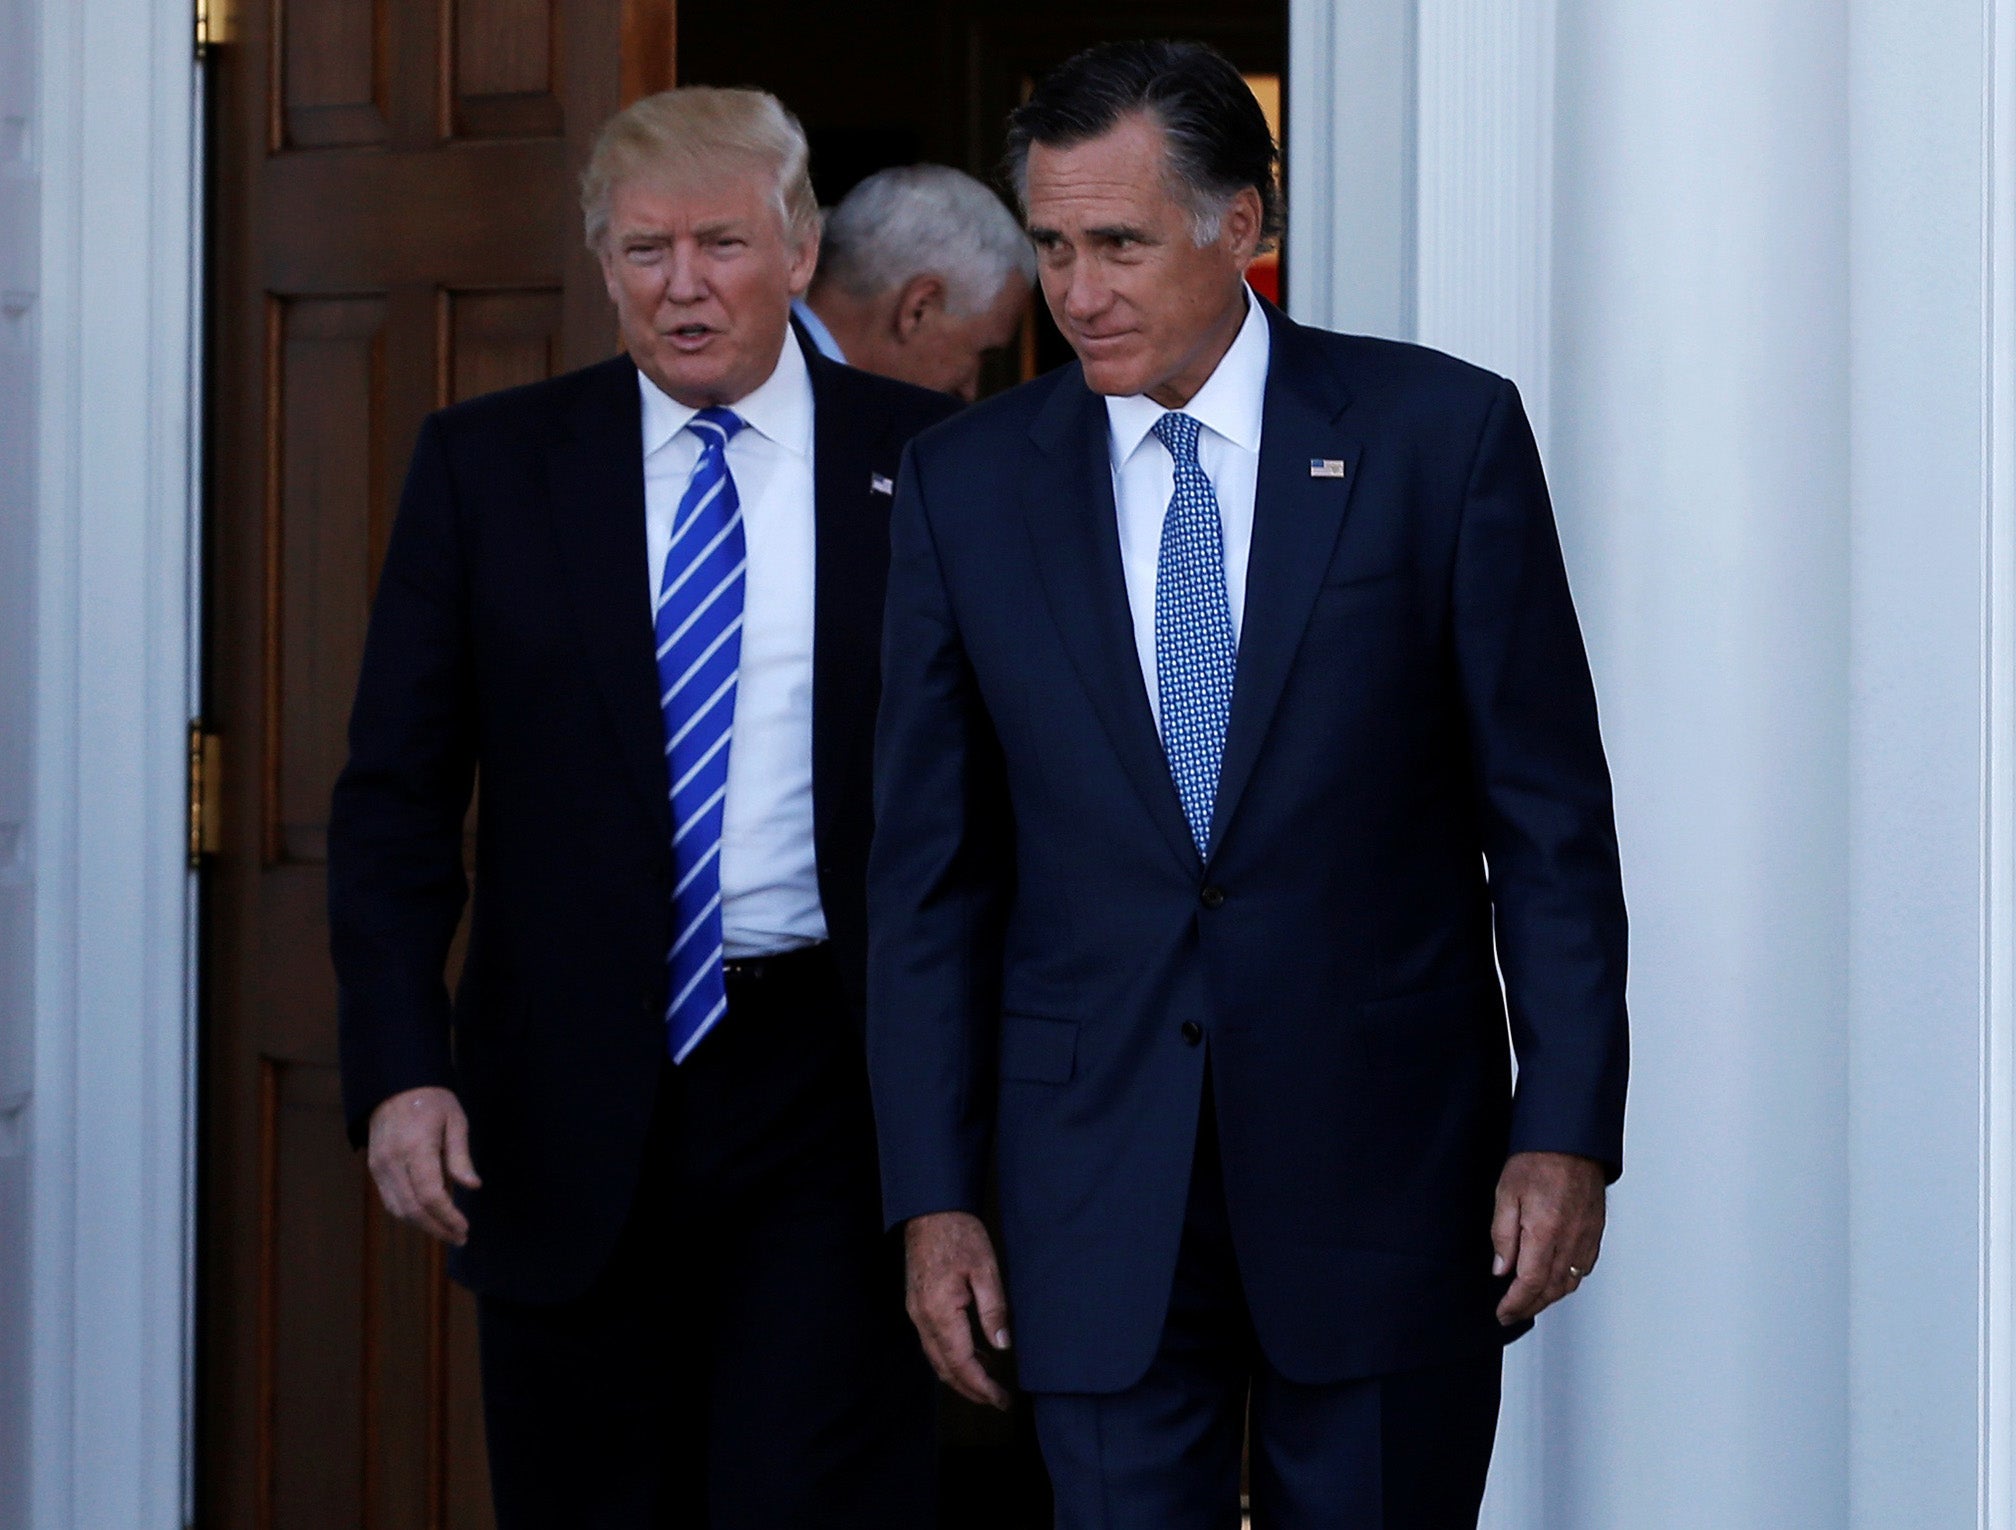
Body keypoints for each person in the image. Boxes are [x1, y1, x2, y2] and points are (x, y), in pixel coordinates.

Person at [865, 39, 1629, 1530]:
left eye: (1122, 243)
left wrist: (1566, 1124)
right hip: (1086, 1188)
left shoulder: (1436, 438)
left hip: (1387, 1176)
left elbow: (1547, 825)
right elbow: (929, 876)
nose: (1079, 291)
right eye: (1054, 248)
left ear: (1243, 228)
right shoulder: (967, 484)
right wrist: (932, 1193)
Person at [329, 86, 957, 1530]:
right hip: (563, 1096)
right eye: (645, 249)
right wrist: (399, 1064)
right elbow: (395, 801)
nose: (685, 286)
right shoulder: (486, 467)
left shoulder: (932, 463)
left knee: (815, 1498)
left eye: (723, 244)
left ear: (799, 253)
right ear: (603, 264)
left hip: (834, 1084)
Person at [794, 163, 1036, 401]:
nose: (969, 391)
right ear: (919, 308)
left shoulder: (778, 375)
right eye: (982, 354)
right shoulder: (801, 405)